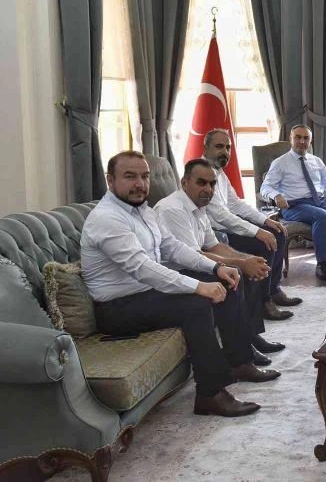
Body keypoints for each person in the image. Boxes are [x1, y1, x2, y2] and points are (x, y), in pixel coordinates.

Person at [81, 151, 278, 418]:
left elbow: (172, 247)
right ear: (110, 180)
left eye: (144, 177)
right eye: (129, 177)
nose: (140, 184)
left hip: (144, 293)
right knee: (196, 305)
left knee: (226, 281)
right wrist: (198, 287)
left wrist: (217, 268)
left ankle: (239, 362)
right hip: (117, 307)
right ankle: (210, 394)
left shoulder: (142, 210)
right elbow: (142, 268)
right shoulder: (108, 218)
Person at [155, 159, 286, 367]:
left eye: (212, 184)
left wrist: (246, 260)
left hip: (195, 264)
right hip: (177, 273)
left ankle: (251, 337)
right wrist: (241, 264)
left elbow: (214, 246)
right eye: (201, 182)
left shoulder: (199, 207)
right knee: (233, 277)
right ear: (184, 183)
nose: (208, 189)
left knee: (243, 270)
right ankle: (241, 360)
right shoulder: (172, 209)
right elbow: (193, 256)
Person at [202, 128, 301, 322]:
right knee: (264, 242)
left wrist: (265, 221)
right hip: (215, 235)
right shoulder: (203, 174)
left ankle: (273, 290)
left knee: (276, 232)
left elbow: (236, 204)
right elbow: (221, 215)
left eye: (228, 147)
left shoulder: (219, 172)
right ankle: (263, 303)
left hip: (227, 226)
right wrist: (257, 232)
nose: (225, 152)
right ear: (205, 149)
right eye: (219, 146)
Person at [261, 124, 326, 281]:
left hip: (318, 201)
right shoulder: (280, 163)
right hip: (293, 205)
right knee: (321, 215)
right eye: (298, 137)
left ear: (310, 141)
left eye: (306, 138)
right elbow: (265, 187)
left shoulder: (316, 161)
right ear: (291, 138)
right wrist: (276, 195)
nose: (302, 141)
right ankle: (322, 265)